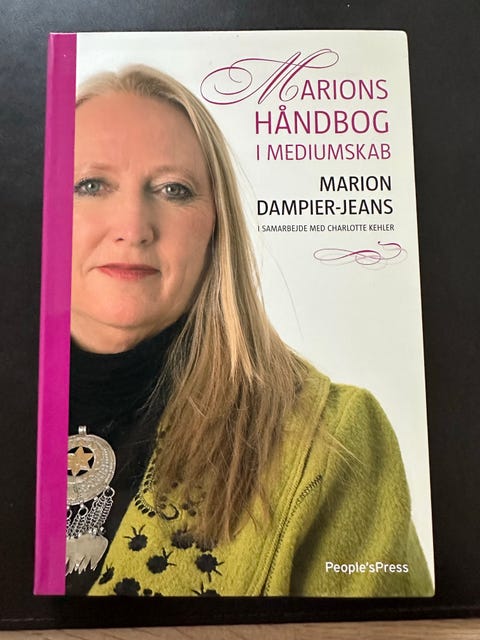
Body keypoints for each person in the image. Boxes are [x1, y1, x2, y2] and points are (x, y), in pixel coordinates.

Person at [66, 65, 433, 597]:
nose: (132, 227)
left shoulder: (329, 442)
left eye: (173, 189)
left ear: (216, 227)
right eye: (90, 185)